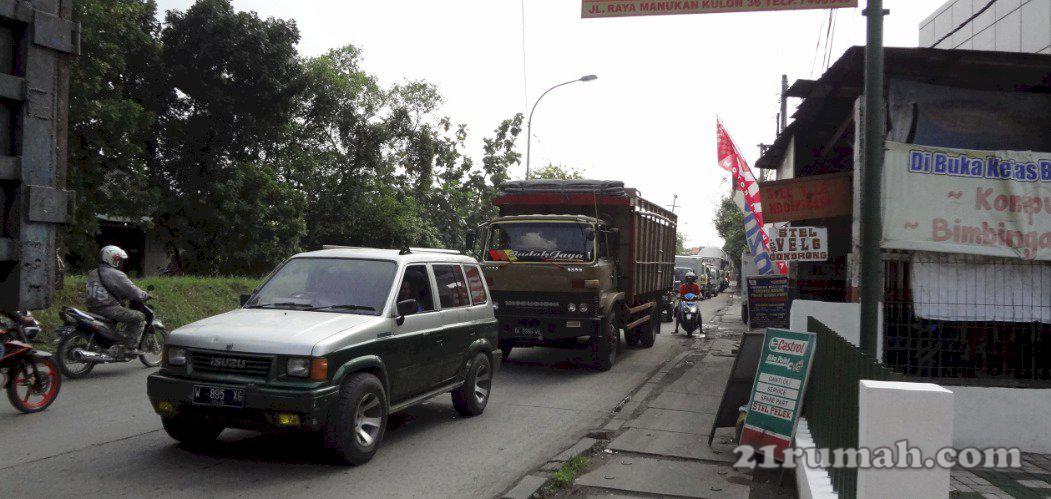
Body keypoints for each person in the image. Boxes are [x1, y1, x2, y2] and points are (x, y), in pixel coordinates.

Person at [86, 246, 149, 356]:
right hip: (108, 309)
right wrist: (144, 295)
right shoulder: (115, 274)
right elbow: (132, 290)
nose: (119, 263)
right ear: (110, 259)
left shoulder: (93, 272)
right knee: (139, 317)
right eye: (118, 259)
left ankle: (113, 343)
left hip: (92, 308)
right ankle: (129, 348)